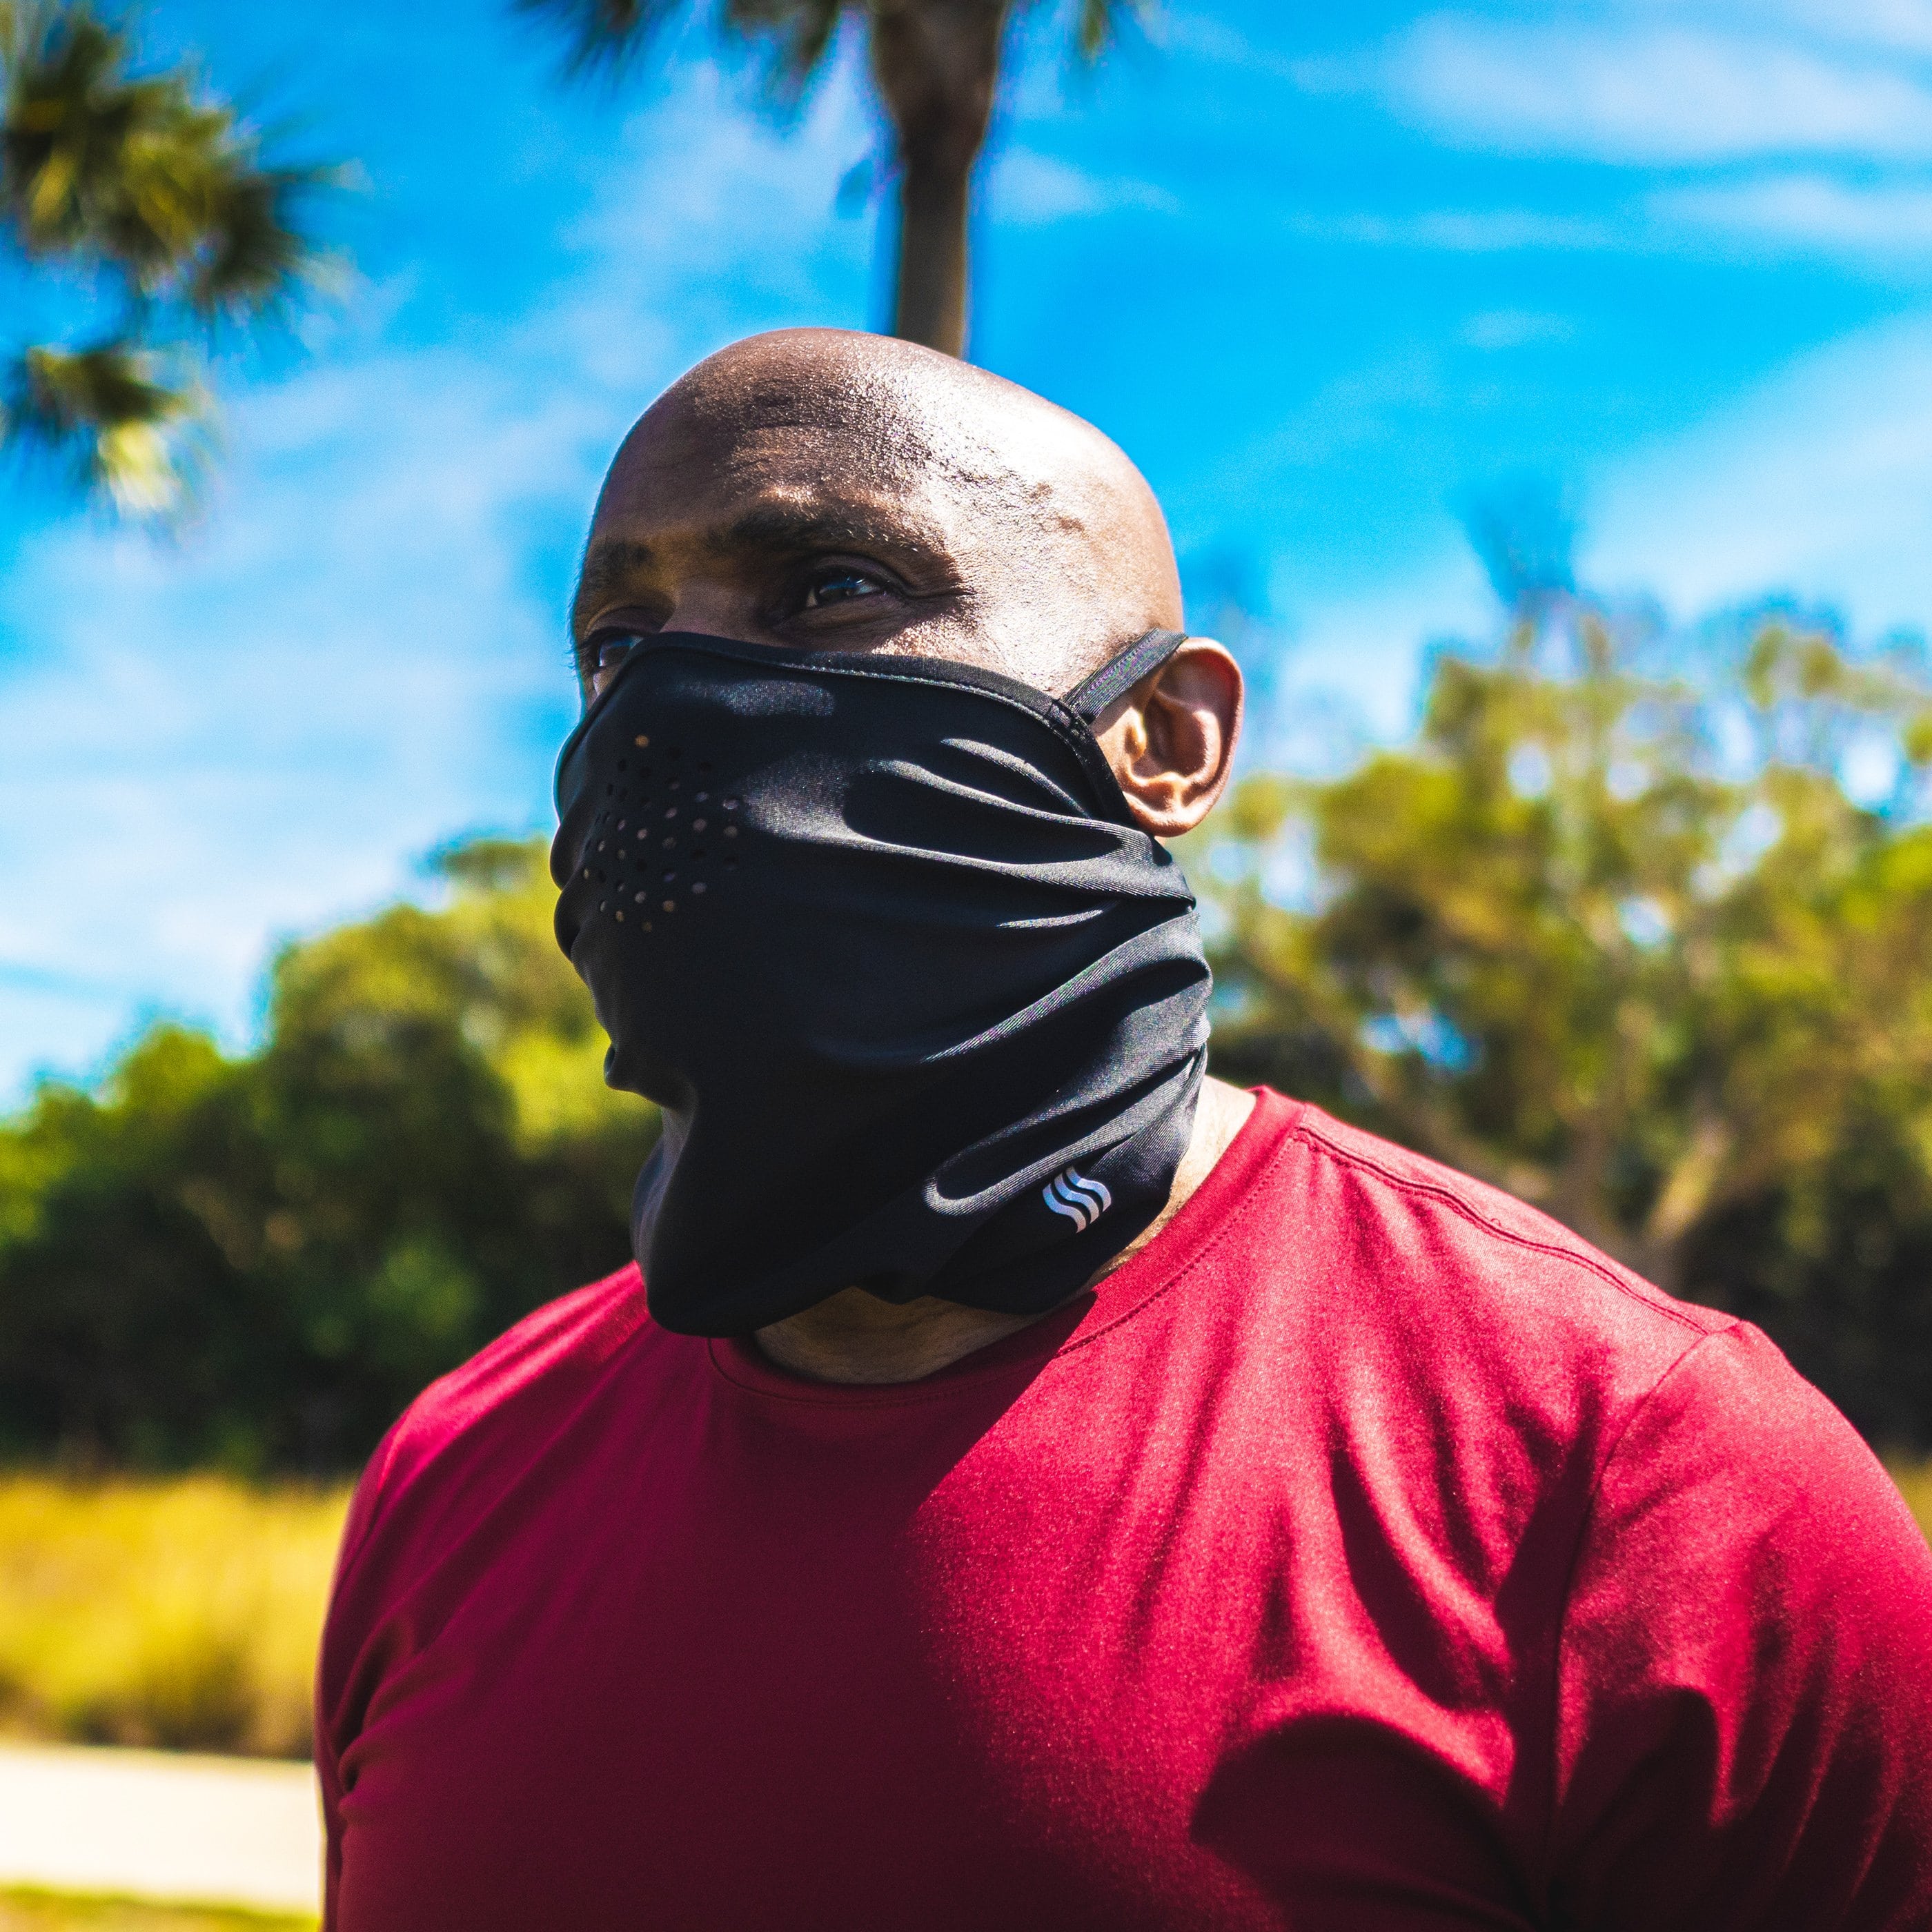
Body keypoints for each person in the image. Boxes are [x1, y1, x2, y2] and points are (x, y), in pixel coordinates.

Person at [317, 328, 1932, 1931]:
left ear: (1166, 738)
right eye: (616, 641)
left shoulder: (1648, 1491)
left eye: (828, 589)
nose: (672, 700)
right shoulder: (456, 1469)